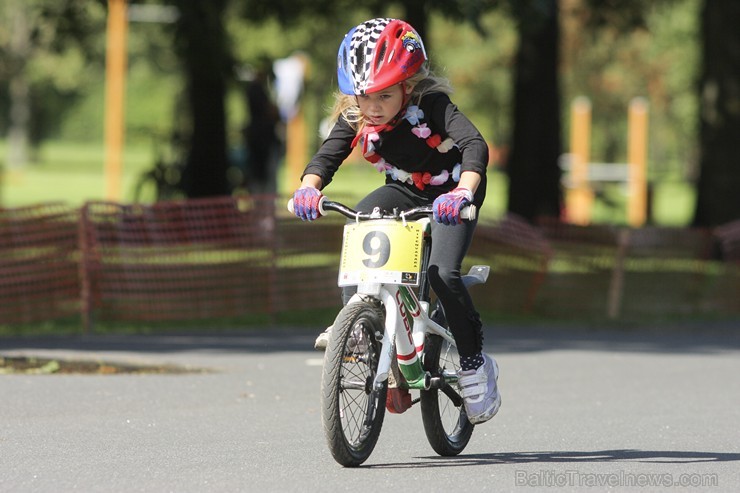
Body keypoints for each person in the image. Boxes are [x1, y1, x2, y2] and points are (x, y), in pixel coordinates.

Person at [290, 18, 501, 425]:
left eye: (384, 96)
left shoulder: (433, 104)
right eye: (363, 96)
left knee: (442, 273)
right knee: (363, 218)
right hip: (404, 189)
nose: (371, 106)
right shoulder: (358, 114)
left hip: (452, 189)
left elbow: (475, 145)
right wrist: (308, 189)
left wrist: (462, 193)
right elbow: (327, 156)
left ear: (408, 83)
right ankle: (362, 330)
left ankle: (475, 364)